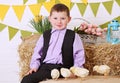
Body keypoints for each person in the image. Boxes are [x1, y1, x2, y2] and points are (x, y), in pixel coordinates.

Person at [21, 3, 85, 83]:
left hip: (64, 69)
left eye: (63, 18)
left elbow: (79, 54)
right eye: (55, 18)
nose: (59, 21)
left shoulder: (73, 36)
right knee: (27, 80)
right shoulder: (45, 35)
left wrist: (76, 70)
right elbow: (37, 53)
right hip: (46, 67)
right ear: (49, 19)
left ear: (69, 19)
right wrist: (34, 66)